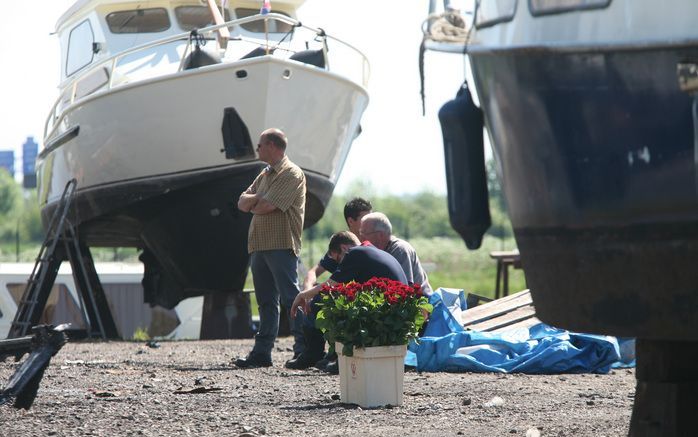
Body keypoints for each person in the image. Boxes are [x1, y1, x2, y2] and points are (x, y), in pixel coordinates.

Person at [234, 128, 306, 368]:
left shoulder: (291, 173)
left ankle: (304, 350)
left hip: (281, 245)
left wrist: (255, 200)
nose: (257, 149)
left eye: (260, 145)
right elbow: (241, 202)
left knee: (291, 299)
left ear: (273, 146)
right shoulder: (265, 174)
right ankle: (262, 353)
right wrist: (257, 200)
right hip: (259, 245)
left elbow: (265, 206)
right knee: (265, 300)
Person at [287, 231, 407, 370]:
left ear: (344, 248)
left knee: (322, 298)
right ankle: (335, 355)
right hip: (398, 312)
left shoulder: (354, 253)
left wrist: (303, 295)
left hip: (387, 311)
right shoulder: (370, 251)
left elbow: (330, 285)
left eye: (338, 259)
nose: (339, 264)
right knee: (342, 296)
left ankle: (316, 353)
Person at [302, 197, 373, 290]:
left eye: (371, 218)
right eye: (365, 219)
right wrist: (307, 292)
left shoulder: (376, 244)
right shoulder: (343, 245)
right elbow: (313, 272)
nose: (371, 223)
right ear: (351, 221)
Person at [359, 212, 433, 296]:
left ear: (380, 235)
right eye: (360, 233)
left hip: (422, 304)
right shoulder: (377, 252)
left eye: (365, 233)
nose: (361, 238)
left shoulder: (400, 250)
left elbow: (403, 288)